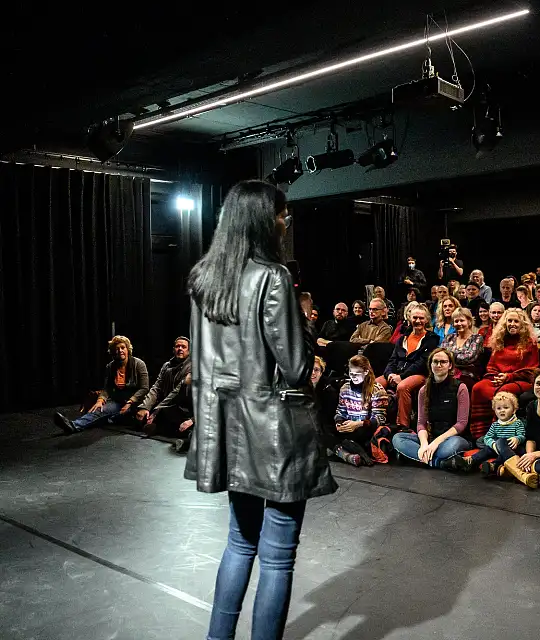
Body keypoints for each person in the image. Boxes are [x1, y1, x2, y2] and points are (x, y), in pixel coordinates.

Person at [183, 180, 336, 640]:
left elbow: (203, 364)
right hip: (274, 434)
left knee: (238, 542)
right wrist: (306, 324)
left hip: (229, 429)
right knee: (277, 556)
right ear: (261, 219)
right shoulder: (273, 277)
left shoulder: (204, 278)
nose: (285, 221)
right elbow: (294, 367)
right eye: (281, 213)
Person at [392, 348, 472, 467]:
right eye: (435, 361)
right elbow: (421, 423)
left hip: (453, 438)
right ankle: (439, 462)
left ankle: (420, 458)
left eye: (443, 362)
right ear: (430, 365)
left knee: (448, 448)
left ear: (450, 365)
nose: (438, 365)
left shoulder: (460, 388)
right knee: (398, 438)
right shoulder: (424, 390)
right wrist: (424, 444)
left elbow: (461, 424)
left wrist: (436, 443)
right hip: (430, 436)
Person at [54, 335, 150, 434]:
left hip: (135, 402)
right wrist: (100, 400)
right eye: (117, 349)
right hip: (118, 401)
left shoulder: (138, 364)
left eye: (122, 348)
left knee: (123, 416)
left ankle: (113, 418)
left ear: (127, 349)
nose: (120, 351)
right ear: (113, 352)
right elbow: (107, 388)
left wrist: (130, 402)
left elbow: (144, 388)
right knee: (99, 410)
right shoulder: (110, 366)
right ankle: (74, 425)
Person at [468, 308, 540, 439]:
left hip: (521, 380)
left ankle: (499, 433)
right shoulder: (499, 340)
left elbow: (532, 370)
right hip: (498, 378)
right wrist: (498, 377)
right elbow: (491, 365)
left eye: (516, 321)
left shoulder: (530, 342)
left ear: (522, 324)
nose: (512, 324)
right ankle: (480, 433)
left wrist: (509, 377)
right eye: (509, 321)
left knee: (503, 392)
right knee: (478, 388)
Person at [375, 303, 440, 435]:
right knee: (374, 384)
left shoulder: (431, 339)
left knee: (403, 387)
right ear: (410, 318)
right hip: (397, 372)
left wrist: (401, 377)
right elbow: (392, 360)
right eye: (415, 318)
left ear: (427, 320)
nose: (418, 321)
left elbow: (422, 363)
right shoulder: (402, 338)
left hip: (419, 374)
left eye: (421, 318)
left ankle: (403, 425)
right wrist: (389, 375)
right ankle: (374, 419)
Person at [447, 391, 525, 473]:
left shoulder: (517, 423)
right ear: (494, 410)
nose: (502, 411)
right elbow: (487, 437)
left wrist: (517, 439)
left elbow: (522, 435)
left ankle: (494, 465)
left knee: (502, 441)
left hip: (511, 448)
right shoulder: (495, 425)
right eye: (499, 408)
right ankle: (471, 461)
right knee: (487, 449)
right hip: (496, 448)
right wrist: (493, 444)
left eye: (506, 408)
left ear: (513, 410)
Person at [332, 355, 389, 466]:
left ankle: (344, 449)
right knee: (325, 430)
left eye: (357, 374)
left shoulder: (377, 390)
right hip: (349, 426)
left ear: (366, 372)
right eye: (351, 373)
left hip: (365, 428)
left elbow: (380, 419)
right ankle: (350, 455)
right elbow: (340, 411)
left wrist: (358, 424)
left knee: (349, 437)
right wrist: (339, 422)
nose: (353, 377)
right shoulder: (345, 388)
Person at [137, 336, 192, 437]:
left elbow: (176, 392)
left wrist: (157, 411)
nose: (180, 349)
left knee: (168, 416)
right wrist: (145, 407)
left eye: (183, 347)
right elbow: (156, 387)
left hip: (181, 407)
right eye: (177, 346)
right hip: (164, 404)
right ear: (173, 349)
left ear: (189, 351)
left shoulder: (192, 367)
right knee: (140, 413)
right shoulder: (166, 366)